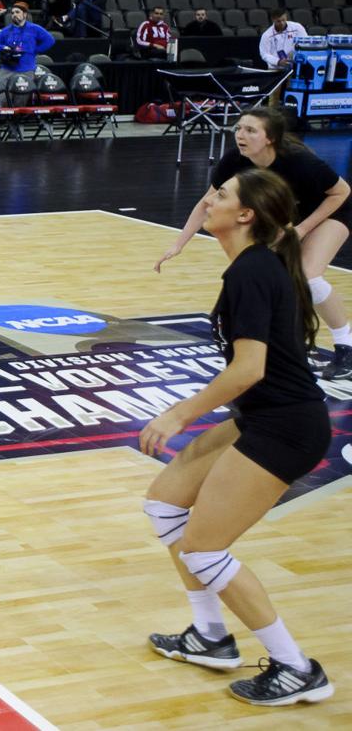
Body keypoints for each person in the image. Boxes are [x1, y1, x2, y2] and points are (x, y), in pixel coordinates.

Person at [142, 166, 333, 707]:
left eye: (221, 195)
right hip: (264, 417)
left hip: (287, 428)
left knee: (204, 550)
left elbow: (249, 368)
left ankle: (296, 668)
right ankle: (209, 636)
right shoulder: (255, 265)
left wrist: (180, 414)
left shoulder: (252, 272)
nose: (209, 201)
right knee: (165, 505)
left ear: (245, 214)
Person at [158, 105, 352, 377]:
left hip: (332, 211)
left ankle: (346, 347)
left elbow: (341, 192)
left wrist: (302, 229)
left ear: (270, 138)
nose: (241, 135)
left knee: (307, 276)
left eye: (250, 130)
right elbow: (206, 202)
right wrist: (178, 244)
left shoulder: (300, 161)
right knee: (272, 277)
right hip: (289, 216)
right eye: (238, 128)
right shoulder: (235, 160)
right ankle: (289, 345)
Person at [0, 3, 55, 104]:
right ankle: (1, 114)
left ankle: (17, 115)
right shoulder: (6, 30)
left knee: (21, 101)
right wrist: (3, 47)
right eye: (12, 13)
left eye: (17, 12)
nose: (14, 15)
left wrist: (35, 50)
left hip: (26, 69)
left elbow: (50, 40)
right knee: (1, 99)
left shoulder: (34, 28)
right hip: (7, 69)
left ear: (24, 14)